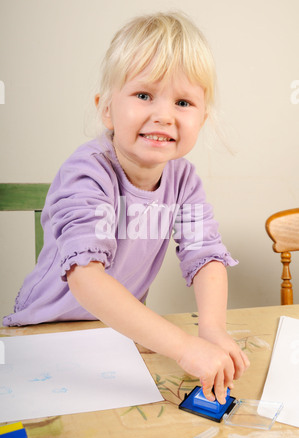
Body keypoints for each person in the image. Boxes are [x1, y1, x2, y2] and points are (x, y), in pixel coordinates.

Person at [3, 11, 249, 403]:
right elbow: (85, 275)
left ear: (201, 119)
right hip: (44, 334)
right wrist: (184, 347)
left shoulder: (184, 180)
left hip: (118, 335)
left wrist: (213, 329)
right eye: (144, 95)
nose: (164, 115)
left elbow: (206, 257)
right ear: (106, 109)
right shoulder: (88, 171)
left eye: (183, 102)